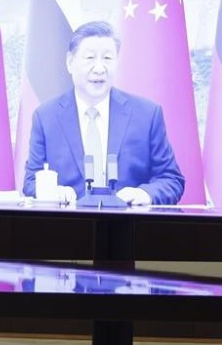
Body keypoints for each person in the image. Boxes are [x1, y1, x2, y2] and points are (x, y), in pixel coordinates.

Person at [22, 21, 185, 206]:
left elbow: (171, 179)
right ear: (70, 62)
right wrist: (52, 192)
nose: (99, 68)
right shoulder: (46, 117)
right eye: (90, 58)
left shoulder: (147, 114)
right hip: (69, 228)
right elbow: (30, 182)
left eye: (107, 58)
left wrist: (144, 194)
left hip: (129, 228)